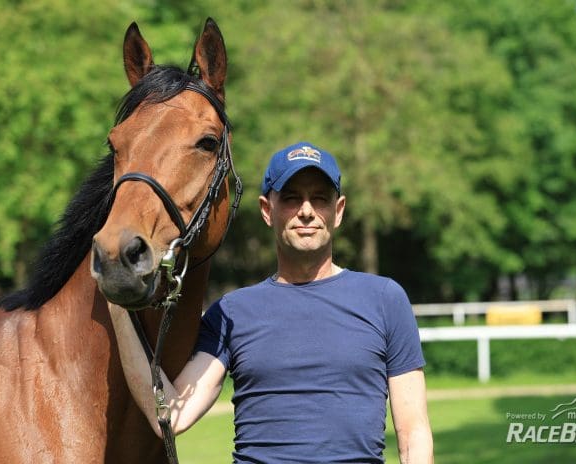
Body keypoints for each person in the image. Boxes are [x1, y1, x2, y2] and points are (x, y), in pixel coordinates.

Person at [109, 141, 434, 463]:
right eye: (292, 199)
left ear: (338, 211)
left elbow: (414, 434)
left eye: (319, 199)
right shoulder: (232, 313)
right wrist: (118, 308)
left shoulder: (385, 300)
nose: (306, 211)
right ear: (267, 210)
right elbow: (171, 415)